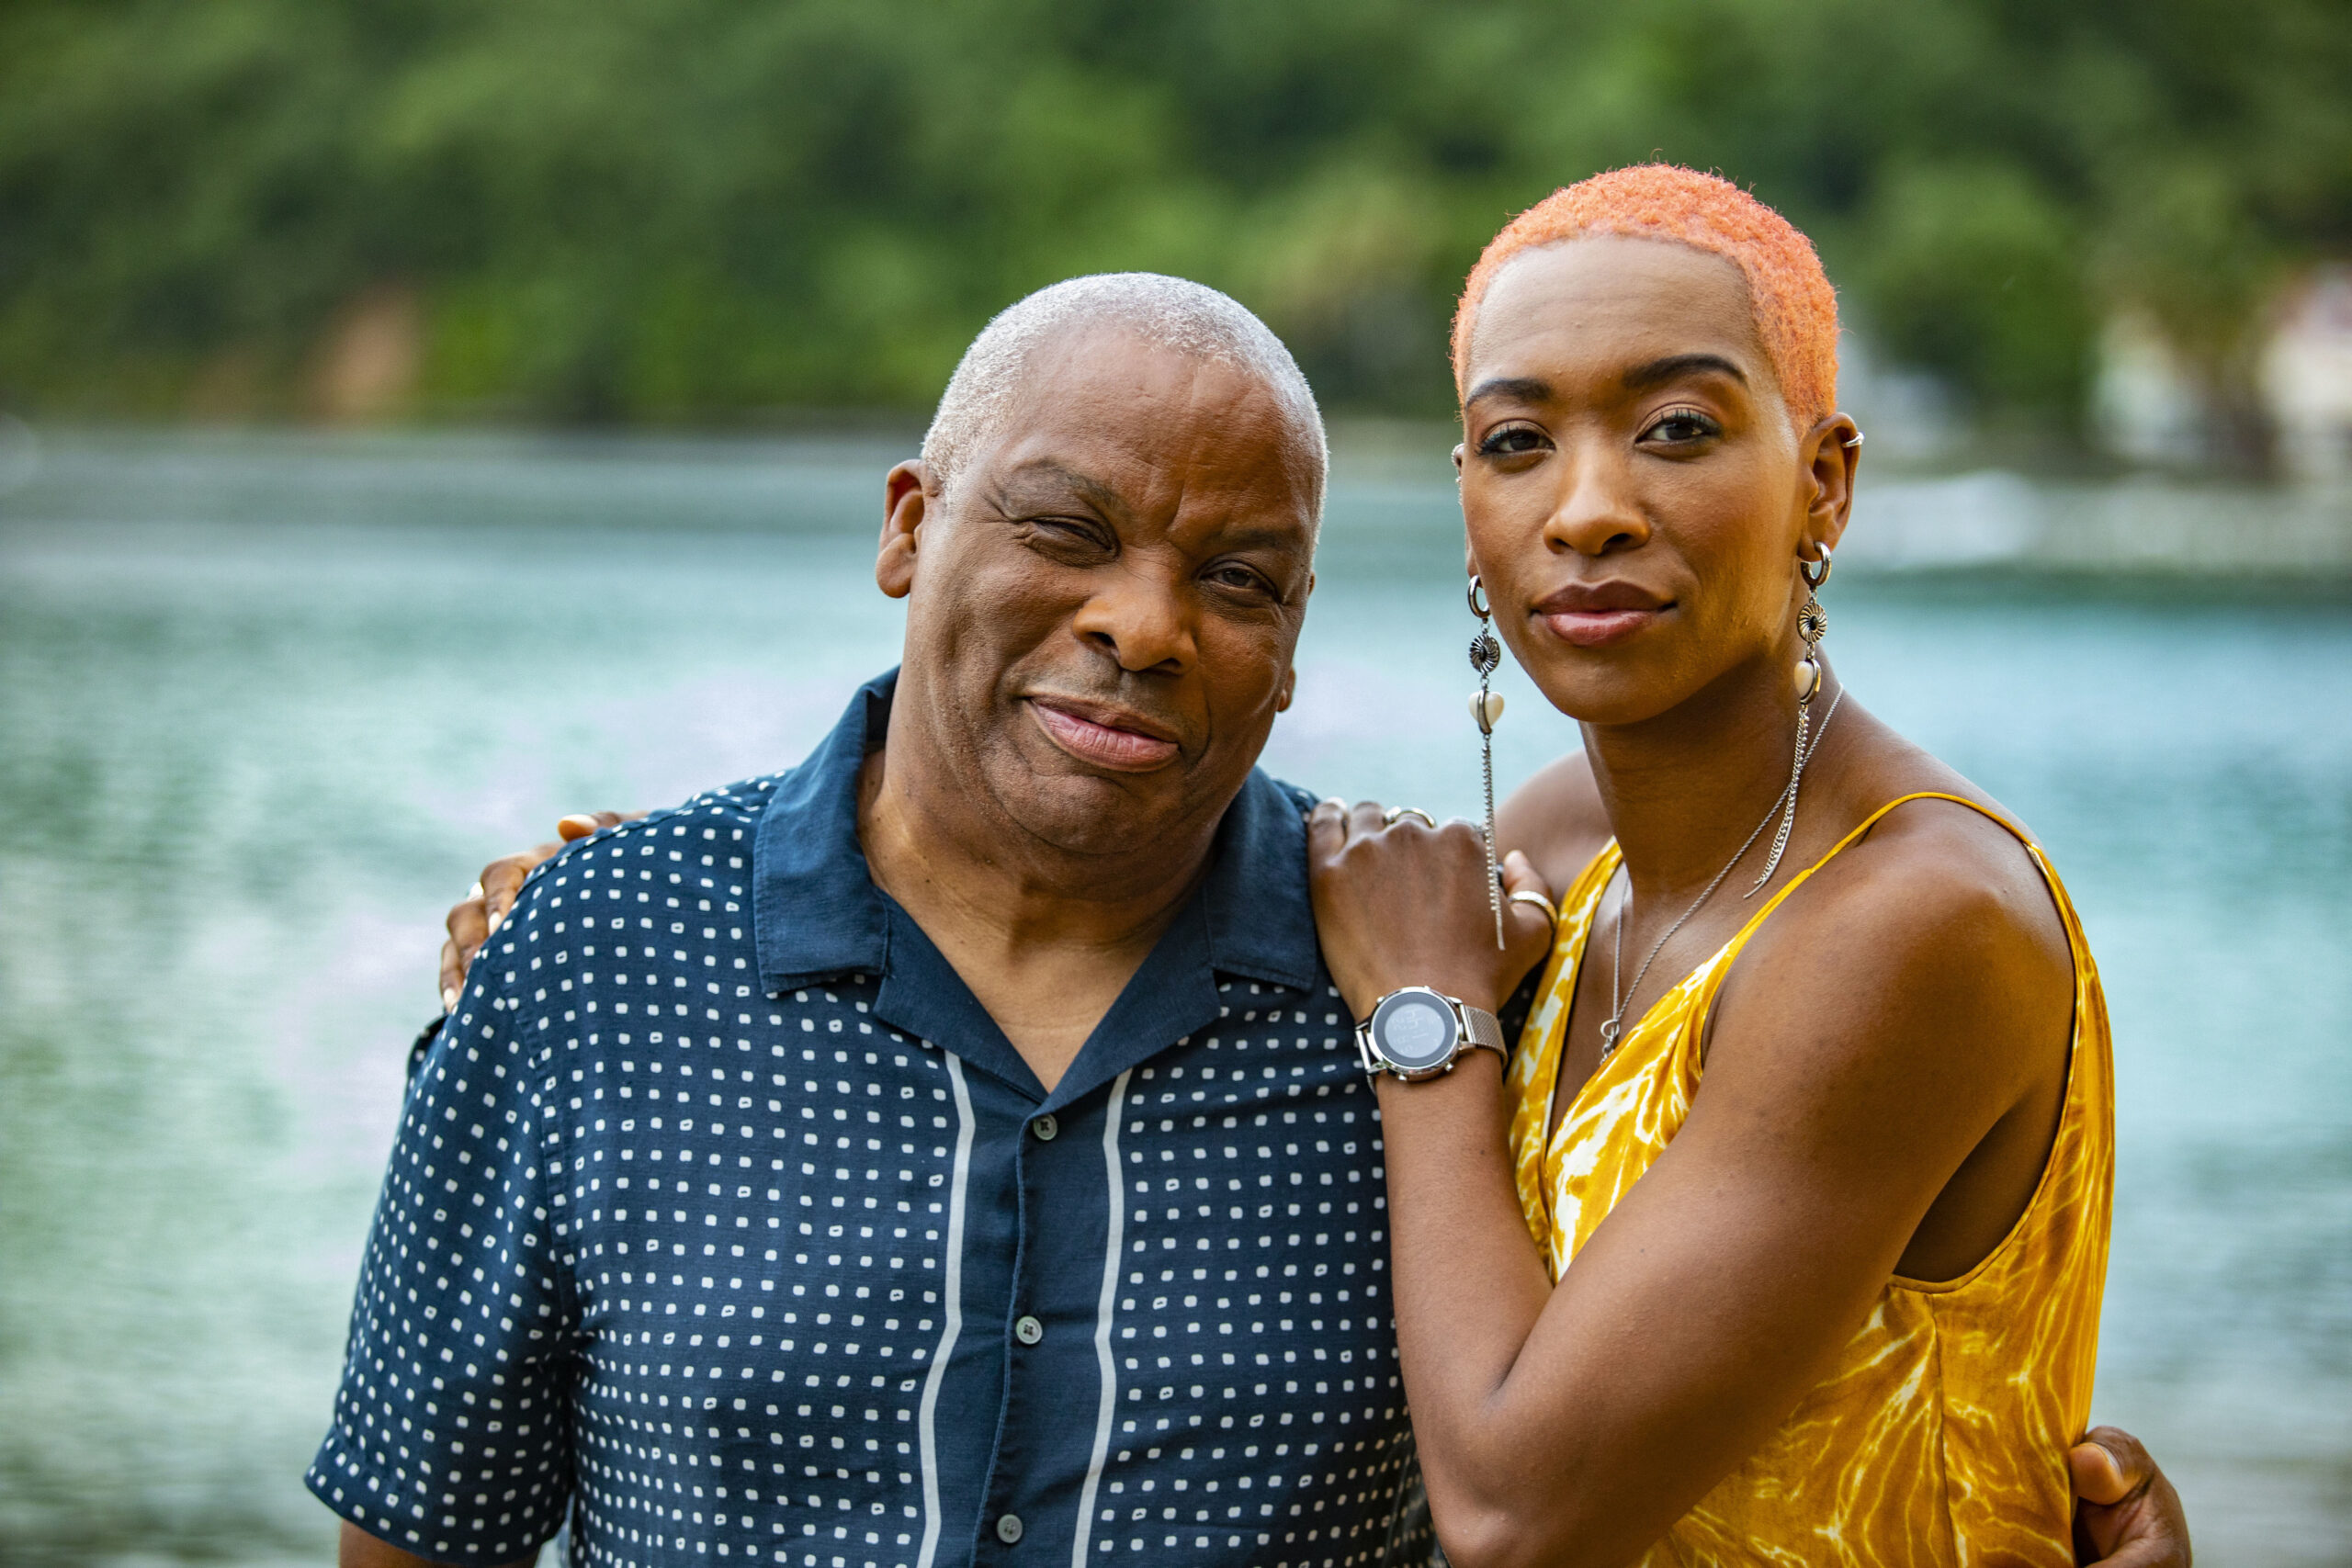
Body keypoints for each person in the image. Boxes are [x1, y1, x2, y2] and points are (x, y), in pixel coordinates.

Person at [342, 267, 2191, 1568]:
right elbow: (425, 1523)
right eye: (1064, 532)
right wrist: (584, 911)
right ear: (908, 524)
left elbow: (1560, 1468)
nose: (1145, 625)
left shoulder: (1412, 990)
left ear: (1296, 645)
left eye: (1235, 579)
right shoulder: (596, 963)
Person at [1303, 165, 2153, 1566]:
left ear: (1825, 480)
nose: (1587, 510)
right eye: (1517, 442)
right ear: (1467, 499)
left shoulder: (1914, 920)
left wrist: (1428, 1027)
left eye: (1678, 429)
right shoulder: (1559, 855)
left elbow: (1521, 1519)